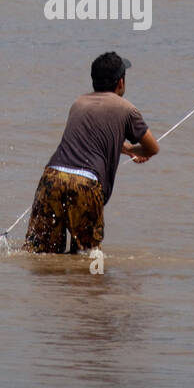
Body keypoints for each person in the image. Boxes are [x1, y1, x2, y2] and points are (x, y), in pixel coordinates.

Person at [23, 52, 159, 254]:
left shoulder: (79, 103)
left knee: (42, 254)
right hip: (85, 183)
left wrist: (127, 150)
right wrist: (135, 150)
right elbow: (152, 148)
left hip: (52, 176)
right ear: (120, 82)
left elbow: (89, 139)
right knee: (87, 258)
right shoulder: (127, 109)